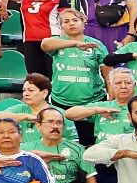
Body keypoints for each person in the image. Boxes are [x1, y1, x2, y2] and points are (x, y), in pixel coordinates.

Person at [0, 0, 88, 78]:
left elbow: (66, 17)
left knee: (53, 75)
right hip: (30, 41)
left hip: (52, 39)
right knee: (36, 78)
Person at [42, 8, 110, 142]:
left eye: (75, 20)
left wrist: (111, 101)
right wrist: (75, 44)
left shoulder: (96, 45)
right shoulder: (57, 43)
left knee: (90, 143)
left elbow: (108, 75)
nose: (71, 24)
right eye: (66, 21)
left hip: (91, 103)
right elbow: (45, 44)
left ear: (84, 22)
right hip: (61, 103)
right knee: (63, 143)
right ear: (61, 26)